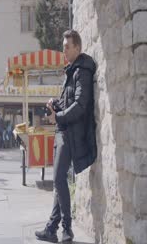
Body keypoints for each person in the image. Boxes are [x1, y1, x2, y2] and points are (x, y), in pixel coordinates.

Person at [35, 30, 97, 243]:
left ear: (77, 48)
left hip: (70, 133)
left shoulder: (82, 71)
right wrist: (56, 103)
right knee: (59, 181)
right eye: (63, 46)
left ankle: (67, 229)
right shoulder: (71, 71)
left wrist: (57, 117)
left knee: (60, 178)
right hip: (63, 130)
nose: (64, 49)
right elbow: (70, 101)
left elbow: (80, 105)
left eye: (67, 46)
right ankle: (51, 228)